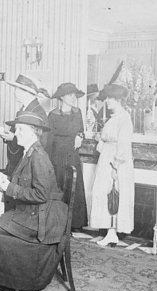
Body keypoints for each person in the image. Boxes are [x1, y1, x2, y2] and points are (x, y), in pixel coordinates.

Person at [0, 111, 68, 291]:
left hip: (40, 218)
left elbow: (41, 195)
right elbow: (26, 181)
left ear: (33, 132)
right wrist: (6, 180)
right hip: (32, 211)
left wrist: (9, 187)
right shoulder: (29, 152)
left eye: (20, 129)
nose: (16, 133)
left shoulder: (38, 156)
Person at [90, 84, 135, 247]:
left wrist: (115, 167)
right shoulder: (114, 118)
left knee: (114, 194)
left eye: (110, 98)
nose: (107, 101)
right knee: (105, 194)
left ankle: (112, 232)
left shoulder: (124, 118)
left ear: (118, 100)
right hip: (107, 158)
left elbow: (123, 146)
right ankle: (110, 232)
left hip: (115, 162)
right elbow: (107, 139)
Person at [45, 82, 88, 231]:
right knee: (59, 186)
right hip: (57, 156)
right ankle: (58, 223)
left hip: (72, 154)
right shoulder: (53, 115)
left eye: (74, 95)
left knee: (74, 186)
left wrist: (80, 137)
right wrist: (48, 163)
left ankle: (74, 224)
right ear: (62, 97)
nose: (73, 97)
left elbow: (81, 131)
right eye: (70, 95)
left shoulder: (78, 112)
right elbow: (49, 141)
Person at [0, 73, 48, 178]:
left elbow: (41, 143)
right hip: (16, 164)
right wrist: (8, 134)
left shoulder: (38, 113)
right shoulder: (24, 108)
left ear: (27, 92)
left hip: (26, 169)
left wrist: (13, 137)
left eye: (18, 89)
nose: (15, 92)